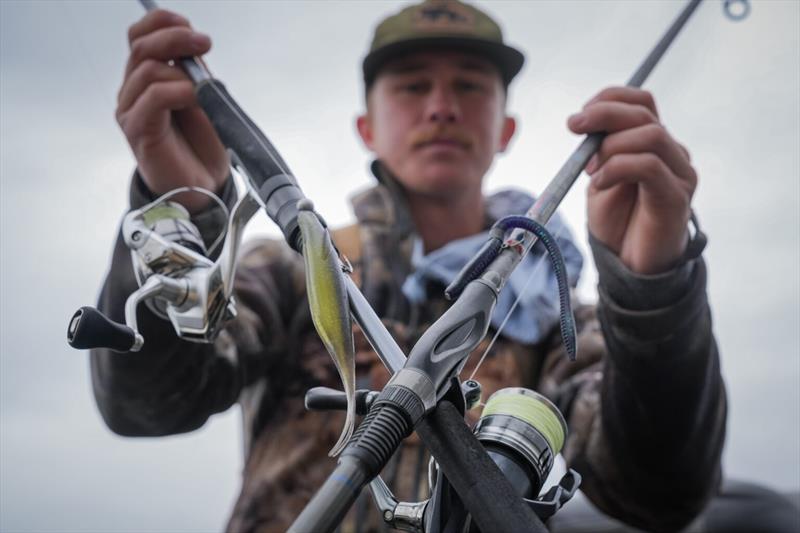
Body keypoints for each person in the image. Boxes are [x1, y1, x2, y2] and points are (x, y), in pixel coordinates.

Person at [93, 1, 733, 531]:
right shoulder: (289, 270)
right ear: (366, 126)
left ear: (506, 128)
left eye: (469, 85)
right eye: (411, 85)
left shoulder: (558, 311)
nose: (441, 107)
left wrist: (654, 289)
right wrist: (178, 211)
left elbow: (662, 491)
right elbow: (147, 404)